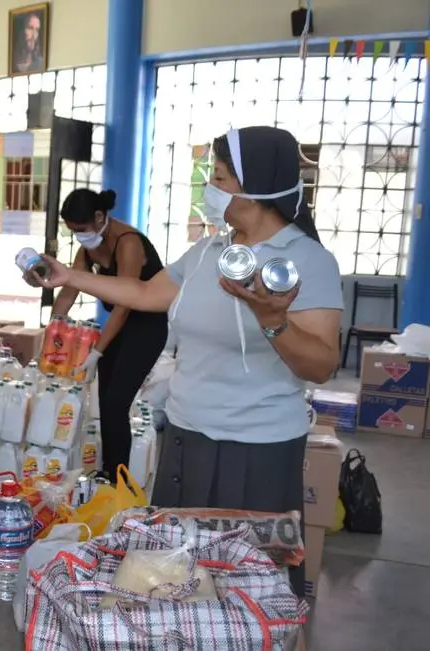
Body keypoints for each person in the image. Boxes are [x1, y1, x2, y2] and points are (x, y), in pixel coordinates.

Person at [29, 126, 343, 596]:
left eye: (218, 177)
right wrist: (67, 274)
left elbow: (320, 364)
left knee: (249, 587)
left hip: (255, 448)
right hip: (186, 436)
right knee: (177, 577)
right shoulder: (211, 251)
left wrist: (271, 320)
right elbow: (144, 292)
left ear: (255, 188)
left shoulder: (306, 261)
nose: (208, 188)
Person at [43, 188, 167, 479]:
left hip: (146, 326)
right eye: (72, 231)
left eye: (82, 229)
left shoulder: (128, 243)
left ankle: (118, 478)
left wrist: (98, 350)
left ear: (100, 217)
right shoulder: (86, 249)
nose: (78, 236)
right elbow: (69, 289)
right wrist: (53, 331)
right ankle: (108, 470)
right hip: (119, 325)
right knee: (105, 403)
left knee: (115, 403)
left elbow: (125, 303)